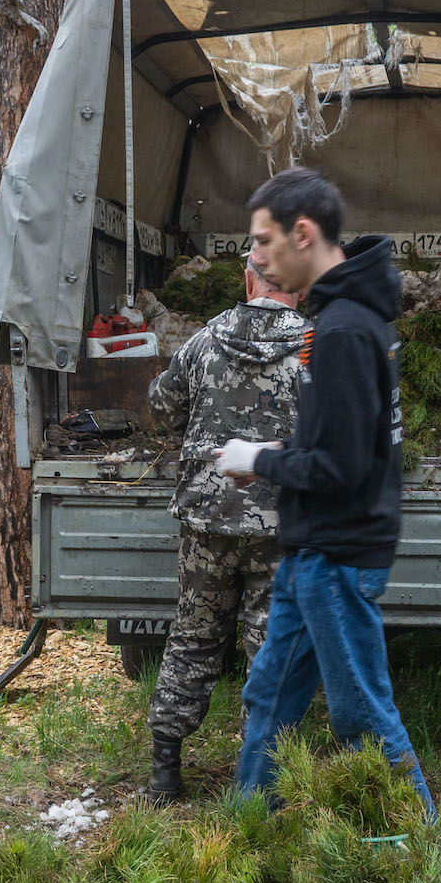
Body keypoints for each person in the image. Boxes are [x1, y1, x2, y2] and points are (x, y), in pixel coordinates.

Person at [215, 168, 433, 815]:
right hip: (312, 553)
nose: (255, 256)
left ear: (302, 233)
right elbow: (349, 447)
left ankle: (422, 847)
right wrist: (277, 459)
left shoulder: (342, 328)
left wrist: (260, 457)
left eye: (262, 241)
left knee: (362, 714)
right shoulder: (340, 318)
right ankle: (250, 834)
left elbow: (339, 469)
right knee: (271, 695)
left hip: (337, 558)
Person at [143, 260, 305, 802]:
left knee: (194, 635)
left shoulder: (202, 341)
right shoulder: (313, 347)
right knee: (269, 644)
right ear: (300, 283)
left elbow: (163, 408)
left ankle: (165, 770)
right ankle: (258, 775)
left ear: (248, 278)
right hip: (282, 520)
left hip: (207, 518)